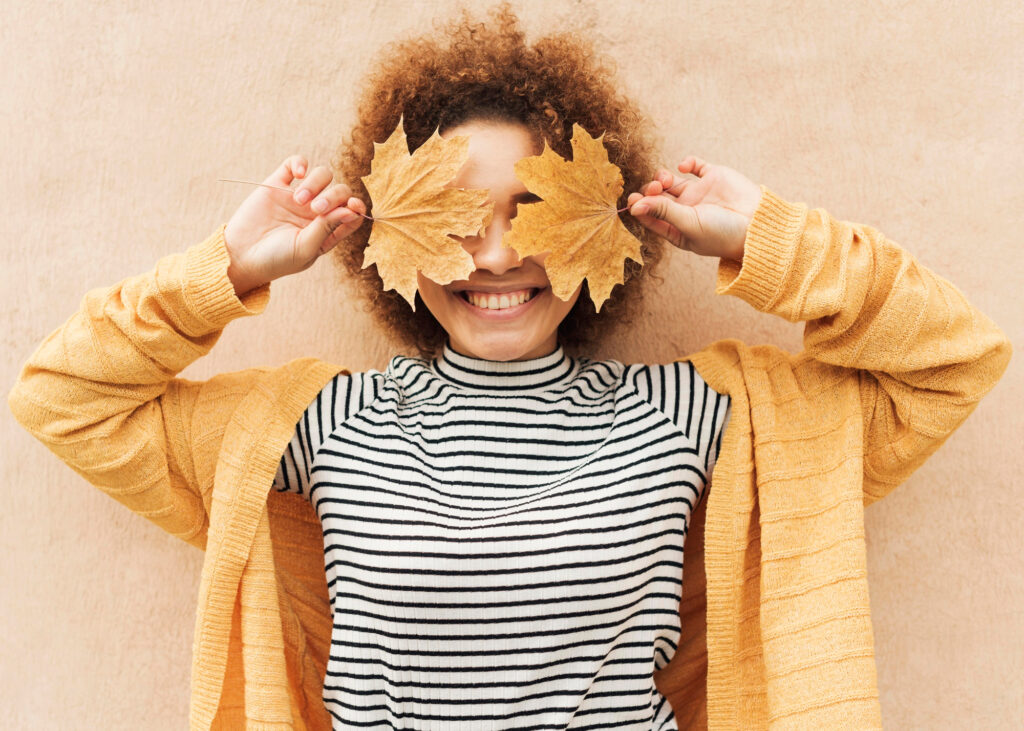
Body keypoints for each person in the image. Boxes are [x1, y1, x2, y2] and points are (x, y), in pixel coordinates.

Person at [7, 4, 1011, 730]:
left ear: (608, 224)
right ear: (380, 239)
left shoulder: (690, 414)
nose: (492, 257)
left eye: (536, 210)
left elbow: (947, 362)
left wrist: (771, 238)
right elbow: (63, 395)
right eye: (449, 218)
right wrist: (225, 272)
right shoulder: (318, 424)